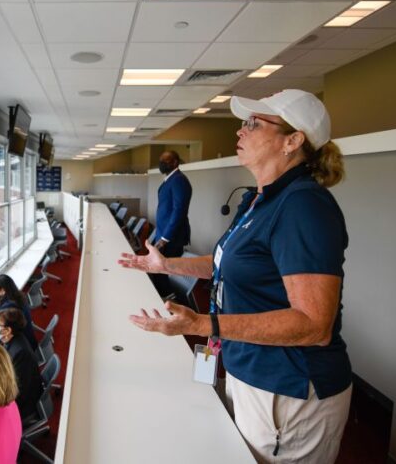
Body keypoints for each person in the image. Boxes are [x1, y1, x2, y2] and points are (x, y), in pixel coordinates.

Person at [120, 89, 352, 464]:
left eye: (253, 124)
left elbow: (314, 324)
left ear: (293, 141)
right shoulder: (260, 199)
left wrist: (201, 323)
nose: (240, 132)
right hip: (248, 369)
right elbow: (224, 263)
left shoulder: (304, 206)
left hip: (288, 388)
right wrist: (166, 266)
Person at [149, 150, 193, 298]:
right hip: (163, 234)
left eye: (166, 161)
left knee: (165, 272)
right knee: (158, 271)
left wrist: (165, 238)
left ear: (175, 162)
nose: (162, 164)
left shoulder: (179, 180)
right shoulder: (170, 179)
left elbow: (179, 211)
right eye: (161, 160)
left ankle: (169, 302)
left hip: (171, 238)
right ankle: (162, 298)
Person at [0, 307, 44, 421]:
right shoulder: (13, 340)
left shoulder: (20, 352)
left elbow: (17, 389)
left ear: (8, 330)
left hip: (25, 403)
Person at [0, 274, 37, 348]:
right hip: (27, 338)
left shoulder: (9, 307)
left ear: (2, 290)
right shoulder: (17, 296)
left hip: (22, 344)